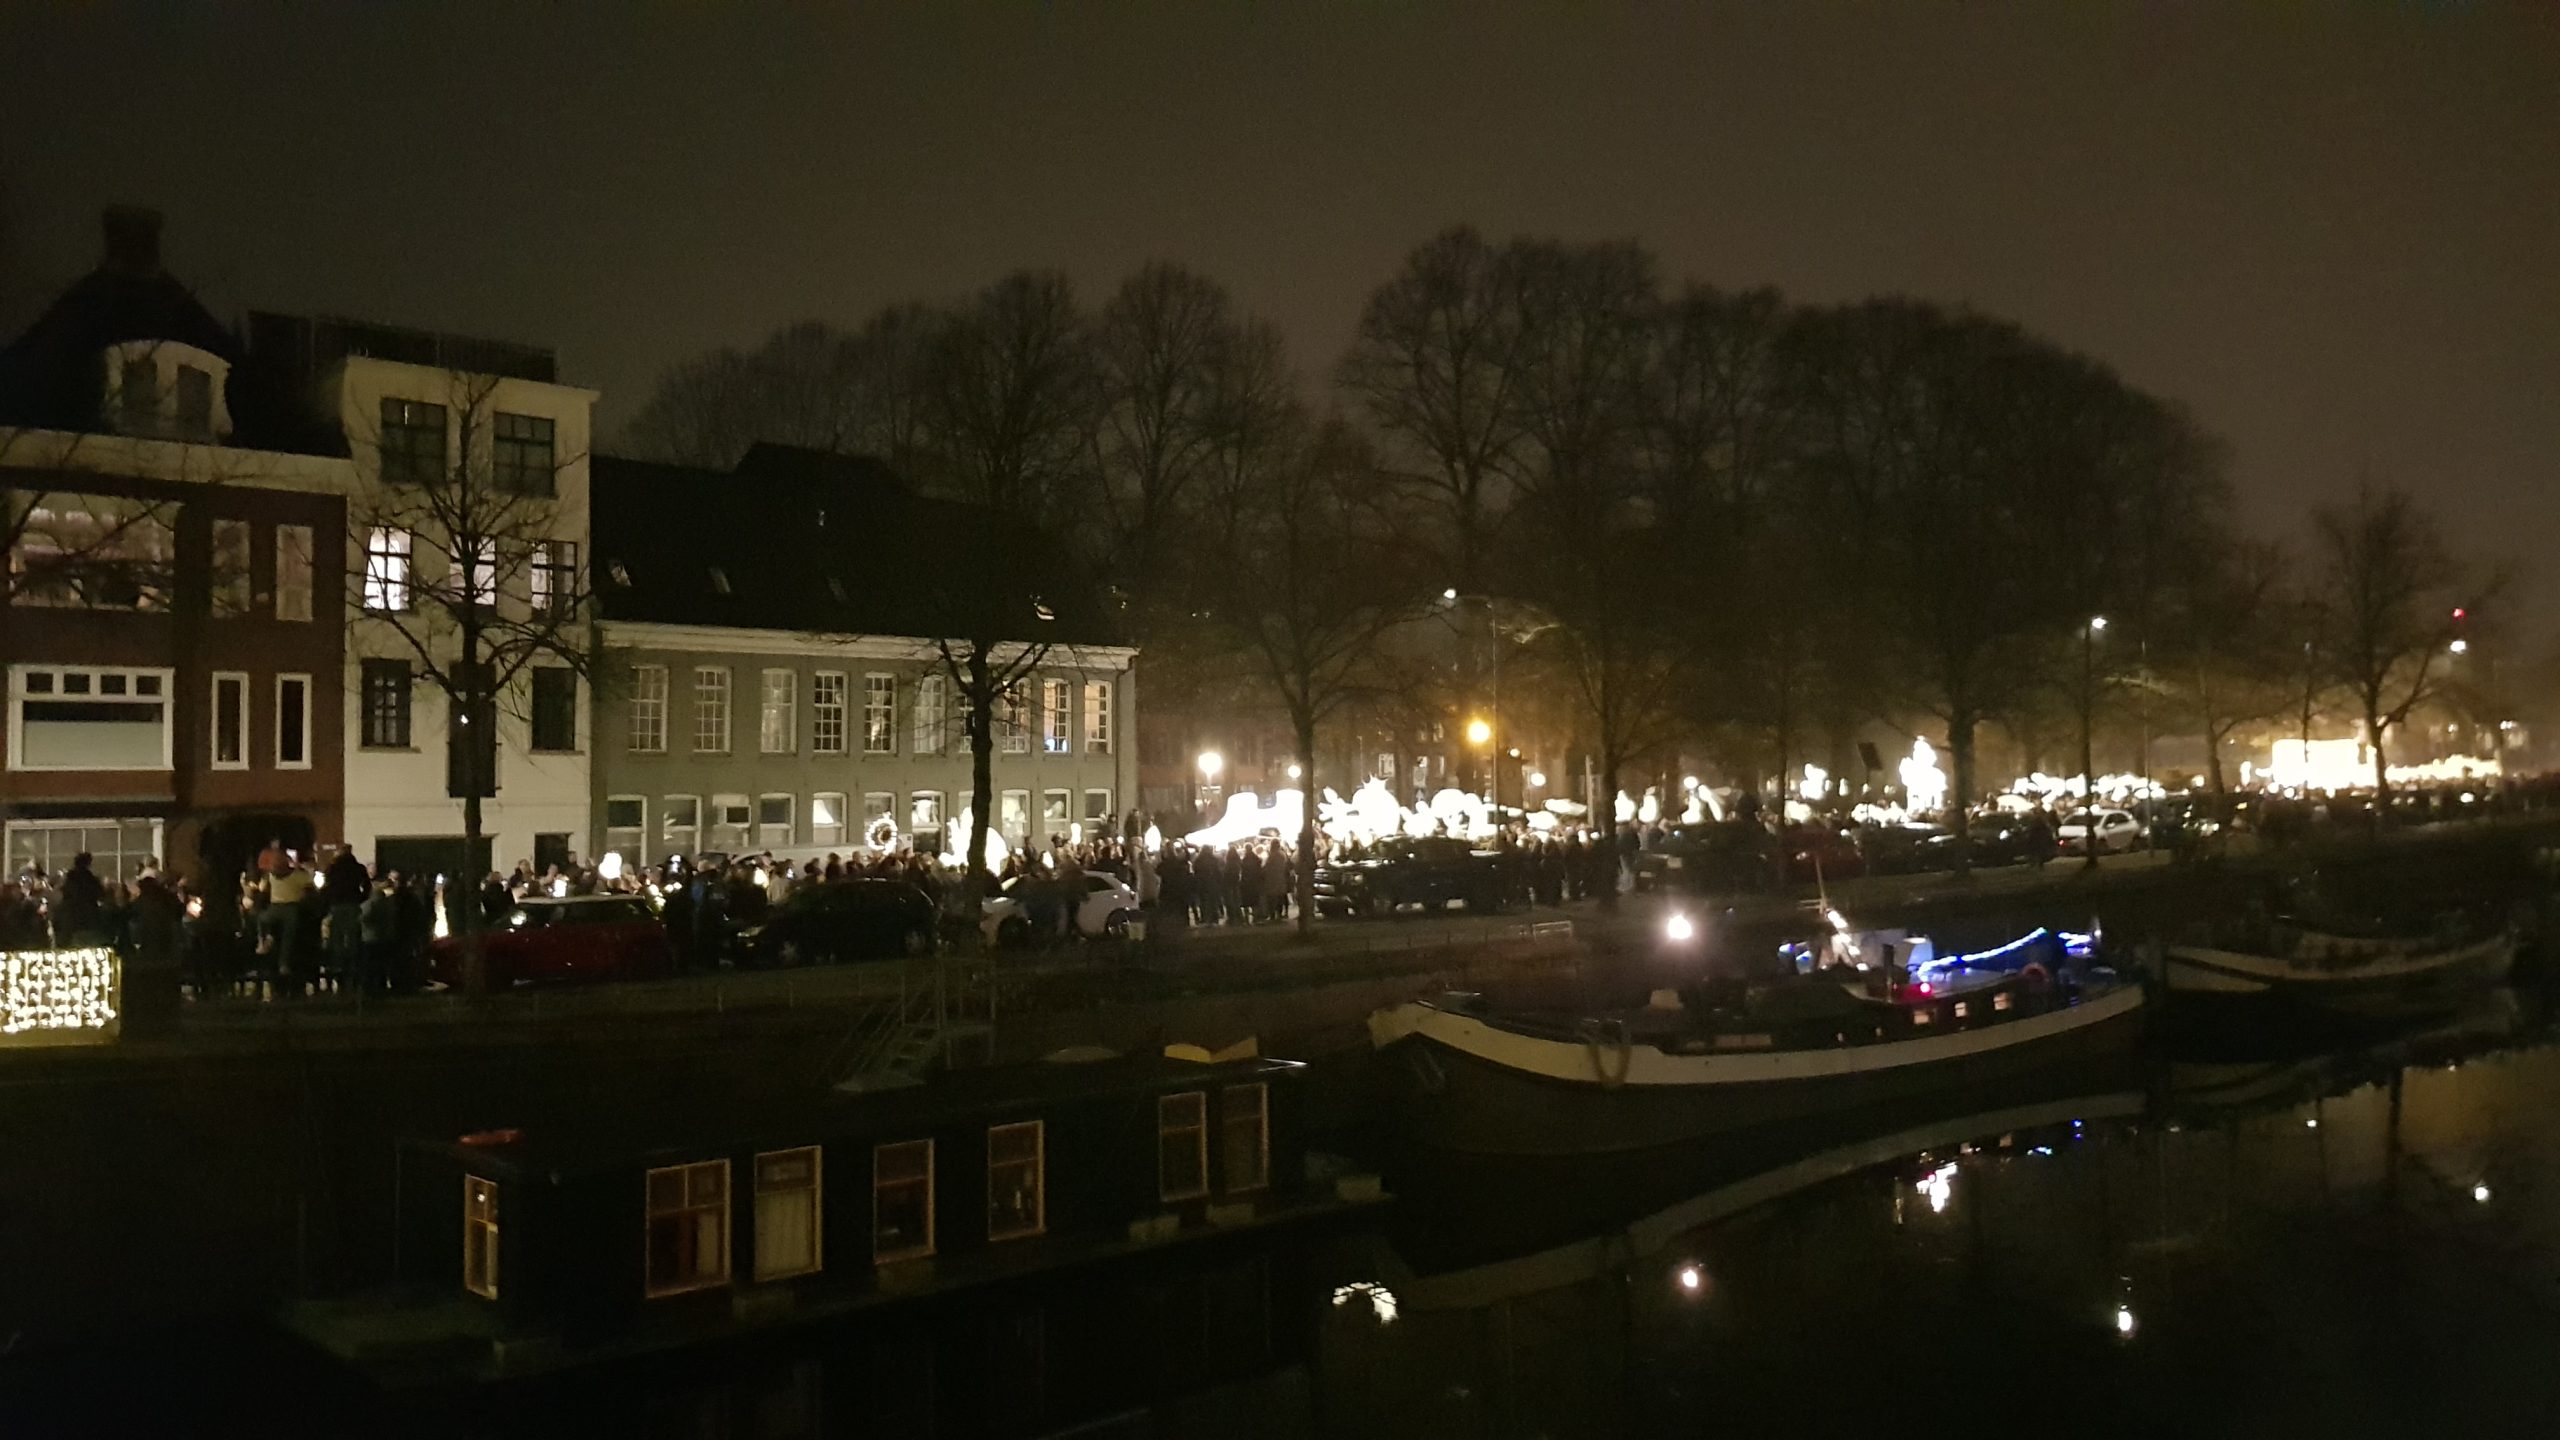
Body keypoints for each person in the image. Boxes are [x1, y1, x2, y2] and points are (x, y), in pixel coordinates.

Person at [55, 852, 106, 944]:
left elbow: (64, 893)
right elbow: (101, 894)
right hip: (88, 919)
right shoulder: (90, 879)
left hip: (70, 919)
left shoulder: (70, 879)